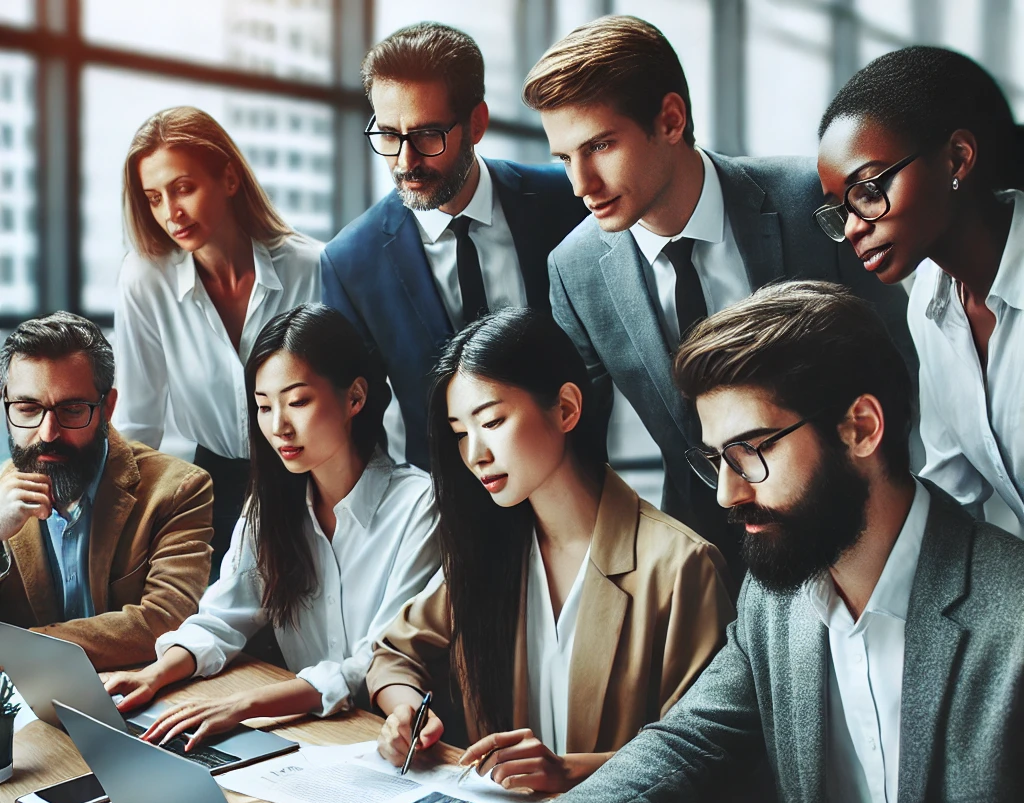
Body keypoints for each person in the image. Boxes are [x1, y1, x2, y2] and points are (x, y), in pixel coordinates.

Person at [472, 282, 1024, 803]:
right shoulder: (779, 595)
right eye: (715, 460)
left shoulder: (1010, 611)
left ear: (861, 428)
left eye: (752, 452)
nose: (729, 493)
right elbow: (690, 738)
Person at [523, 15, 915, 568]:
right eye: (564, 158)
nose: (581, 185)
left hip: (850, 521)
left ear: (671, 119)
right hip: (705, 550)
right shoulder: (574, 268)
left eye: (602, 146)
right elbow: (576, 444)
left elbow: (898, 369)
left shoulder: (809, 201)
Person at [367, 308, 733, 794]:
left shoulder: (680, 567)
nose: (475, 453)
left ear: (565, 409)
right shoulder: (489, 550)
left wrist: (568, 772)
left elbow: (704, 756)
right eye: (460, 433)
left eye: (492, 421)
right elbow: (394, 653)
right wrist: (406, 711)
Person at [101, 304, 440, 748]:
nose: (278, 426)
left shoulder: (419, 504)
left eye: (297, 402)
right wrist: (152, 676)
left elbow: (376, 661)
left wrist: (242, 705)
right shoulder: (272, 506)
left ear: (355, 397)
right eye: (263, 407)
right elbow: (221, 617)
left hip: (399, 739)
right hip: (314, 735)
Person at [320, 22, 587, 469]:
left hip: (574, 480)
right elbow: (355, 423)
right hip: (446, 504)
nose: (405, 162)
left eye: (427, 135)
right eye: (388, 135)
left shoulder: (564, 199)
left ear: (476, 123)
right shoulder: (350, 262)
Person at [817, 46, 1024, 532]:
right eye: (839, 209)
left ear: (957, 158)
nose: (851, 228)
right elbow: (953, 488)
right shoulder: (930, 302)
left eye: (868, 191)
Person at [113, 106, 322, 573]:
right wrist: (123, 536)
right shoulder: (145, 279)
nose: (172, 213)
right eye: (154, 198)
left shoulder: (312, 267)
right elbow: (137, 423)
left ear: (229, 179)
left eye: (183, 188)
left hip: (309, 479)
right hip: (209, 488)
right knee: (210, 630)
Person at [0, 312, 212, 670]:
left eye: (71, 410)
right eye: (27, 408)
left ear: (107, 407)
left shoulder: (179, 489)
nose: (48, 432)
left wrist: (20, 649)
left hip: (144, 695)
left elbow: (167, 620)